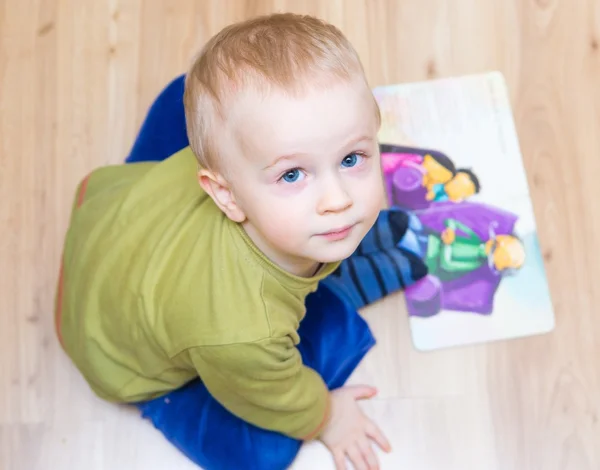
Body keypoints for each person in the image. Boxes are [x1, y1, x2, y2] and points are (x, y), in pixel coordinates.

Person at [54, 13, 420, 470]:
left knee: (202, 103)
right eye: (292, 174)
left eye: (351, 157)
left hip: (110, 218)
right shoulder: (244, 330)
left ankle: (319, 245)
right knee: (265, 453)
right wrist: (327, 416)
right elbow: (274, 395)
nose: (338, 200)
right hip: (115, 356)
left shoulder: (241, 173)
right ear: (224, 196)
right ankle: (338, 287)